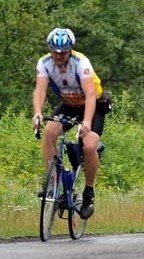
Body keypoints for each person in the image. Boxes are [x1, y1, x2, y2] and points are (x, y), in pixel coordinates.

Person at [32, 28, 110, 219]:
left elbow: (91, 94)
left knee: (89, 145)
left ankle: (88, 193)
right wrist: (38, 113)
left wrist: (86, 122)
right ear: (50, 50)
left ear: (70, 50)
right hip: (68, 105)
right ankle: (53, 184)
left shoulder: (81, 63)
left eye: (63, 53)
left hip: (92, 106)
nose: (58, 56)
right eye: (55, 52)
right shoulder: (45, 63)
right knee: (50, 132)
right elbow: (40, 91)